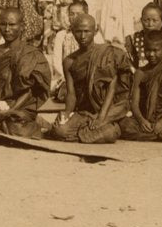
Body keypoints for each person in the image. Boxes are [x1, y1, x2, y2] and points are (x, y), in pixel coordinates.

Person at [47, 15, 132, 144]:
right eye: (78, 31)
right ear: (73, 31)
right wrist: (66, 113)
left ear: (95, 31)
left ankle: (92, 130)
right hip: (83, 112)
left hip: (106, 109)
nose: (82, 36)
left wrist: (101, 117)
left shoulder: (107, 53)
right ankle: (88, 133)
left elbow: (112, 87)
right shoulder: (69, 61)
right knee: (60, 130)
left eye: (87, 31)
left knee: (109, 134)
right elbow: (71, 94)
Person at [0, 8, 51, 138]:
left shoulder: (31, 54)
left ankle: (36, 124)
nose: (7, 29)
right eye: (3, 24)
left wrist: (11, 111)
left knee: (16, 127)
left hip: (20, 106)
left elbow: (30, 91)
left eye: (12, 25)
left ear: (22, 26)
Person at [124, 3, 162, 68]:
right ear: (141, 20)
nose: (150, 24)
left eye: (155, 21)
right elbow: (129, 66)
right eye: (146, 20)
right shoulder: (132, 39)